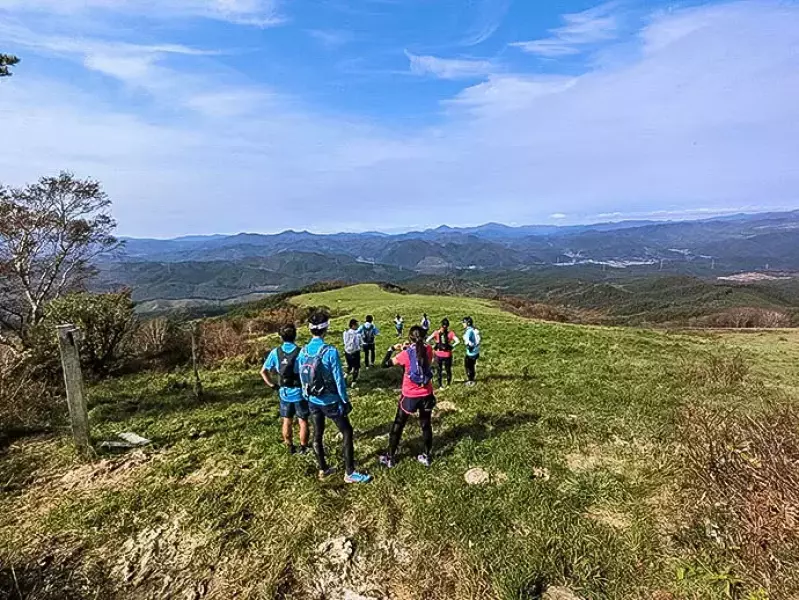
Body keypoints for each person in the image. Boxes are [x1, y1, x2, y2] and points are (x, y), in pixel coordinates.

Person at [299, 311, 372, 484]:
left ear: (310, 330)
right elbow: (339, 379)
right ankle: (350, 472)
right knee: (347, 432)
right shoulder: (330, 351)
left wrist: (306, 394)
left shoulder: (303, 351)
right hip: (330, 400)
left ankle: (323, 468)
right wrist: (345, 400)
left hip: (312, 400)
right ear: (326, 329)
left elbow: (302, 376)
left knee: (318, 434)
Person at [379, 325, 436, 468]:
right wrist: (409, 348)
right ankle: (427, 456)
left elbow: (385, 364)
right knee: (426, 425)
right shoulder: (428, 350)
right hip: (426, 394)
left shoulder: (404, 355)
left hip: (409, 395)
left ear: (409, 338)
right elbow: (422, 356)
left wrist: (392, 349)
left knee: (398, 425)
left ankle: (390, 457)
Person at [260, 324, 309, 455]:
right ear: (295, 335)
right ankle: (304, 448)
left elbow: (263, 371)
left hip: (284, 392)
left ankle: (289, 447)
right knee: (303, 421)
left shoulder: (275, 352)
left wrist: (273, 386)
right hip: (300, 392)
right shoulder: (301, 351)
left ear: (281, 337)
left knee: (287, 421)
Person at [427, 318, 459, 389]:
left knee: (439, 370)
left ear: (441, 325)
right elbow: (458, 341)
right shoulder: (451, 333)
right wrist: (452, 346)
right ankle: (448, 384)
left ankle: (440, 386)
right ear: (448, 325)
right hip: (448, 354)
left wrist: (433, 346)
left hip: (438, 354)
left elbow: (427, 340)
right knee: (448, 370)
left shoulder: (436, 332)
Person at [462, 316, 481, 387]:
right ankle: (472, 379)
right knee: (472, 366)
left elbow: (466, 340)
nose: (463, 324)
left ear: (467, 323)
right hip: (476, 352)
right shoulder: (474, 329)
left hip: (471, 353)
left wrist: (468, 345)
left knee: (468, 366)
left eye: (464, 322)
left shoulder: (468, 331)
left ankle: (470, 381)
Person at [343, 319, 362, 386]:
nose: (358, 326)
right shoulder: (357, 334)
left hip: (347, 352)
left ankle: (345, 376)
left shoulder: (345, 333)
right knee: (356, 367)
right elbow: (358, 344)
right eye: (357, 325)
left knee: (350, 366)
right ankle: (354, 381)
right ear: (353, 325)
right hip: (355, 352)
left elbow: (345, 342)